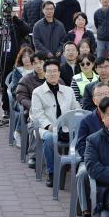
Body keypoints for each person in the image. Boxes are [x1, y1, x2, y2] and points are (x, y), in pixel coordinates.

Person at [73, 83, 109, 217]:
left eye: (107, 93)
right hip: (92, 159)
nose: (104, 97)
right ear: (94, 100)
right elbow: (80, 144)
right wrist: (92, 159)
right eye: (100, 95)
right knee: (83, 174)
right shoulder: (87, 120)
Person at [30, 60, 81, 188]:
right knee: (49, 138)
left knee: (83, 136)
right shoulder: (37, 92)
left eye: (55, 71)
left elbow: (77, 109)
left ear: (59, 73)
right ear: (45, 74)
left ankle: (77, 169)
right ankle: (52, 172)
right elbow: (38, 114)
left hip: (66, 128)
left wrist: (74, 123)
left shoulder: (68, 91)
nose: (52, 74)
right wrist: (50, 126)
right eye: (49, 72)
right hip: (47, 128)